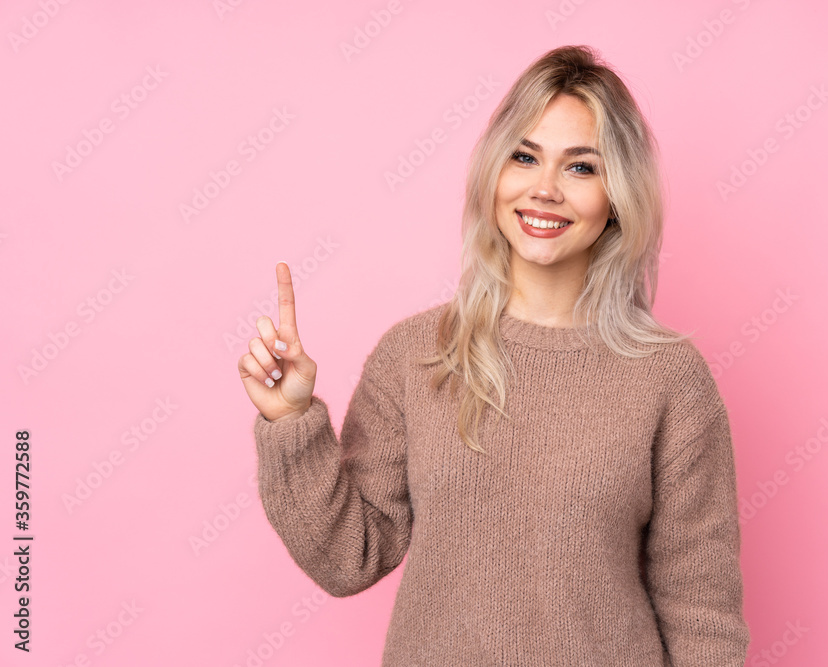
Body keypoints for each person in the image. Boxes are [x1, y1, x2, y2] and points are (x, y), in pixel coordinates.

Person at [238, 44, 750, 666]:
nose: (545, 190)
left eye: (581, 168)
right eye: (525, 156)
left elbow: (703, 614)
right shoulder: (415, 356)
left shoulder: (670, 379)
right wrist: (291, 421)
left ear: (618, 196)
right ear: (493, 173)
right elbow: (350, 557)